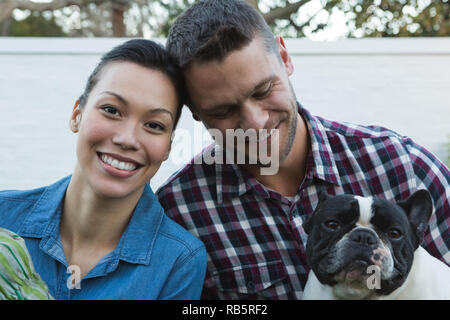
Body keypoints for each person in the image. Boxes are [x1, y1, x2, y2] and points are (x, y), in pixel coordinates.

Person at [156, 0, 450, 299]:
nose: (255, 122)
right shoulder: (179, 212)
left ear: (284, 57)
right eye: (224, 110)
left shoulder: (403, 165)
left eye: (264, 90)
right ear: (194, 110)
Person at [0, 39, 207, 300]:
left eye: (154, 125)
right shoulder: (3, 216)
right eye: (111, 110)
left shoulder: (179, 261)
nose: (127, 139)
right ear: (77, 114)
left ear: (167, 147)